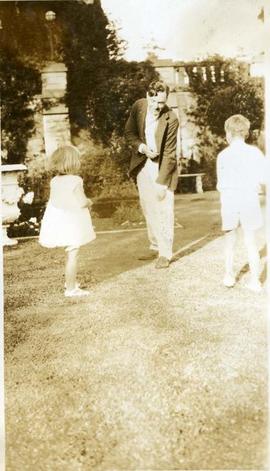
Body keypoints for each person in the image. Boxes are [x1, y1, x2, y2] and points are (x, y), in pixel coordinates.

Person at [125, 80, 179, 268]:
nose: (158, 107)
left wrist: (162, 182)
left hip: (163, 167)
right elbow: (129, 133)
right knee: (148, 207)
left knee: (164, 209)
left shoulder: (171, 119)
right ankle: (155, 246)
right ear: (148, 96)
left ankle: (165, 254)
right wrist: (142, 148)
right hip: (143, 164)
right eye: (154, 102)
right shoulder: (139, 106)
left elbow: (170, 154)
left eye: (162, 103)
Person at [216, 114, 266, 292]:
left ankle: (229, 276)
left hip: (230, 200)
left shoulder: (223, 155)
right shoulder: (255, 153)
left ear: (228, 133)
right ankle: (255, 281)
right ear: (246, 133)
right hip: (249, 200)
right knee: (250, 241)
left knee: (230, 240)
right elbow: (263, 179)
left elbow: (220, 184)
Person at [39, 145, 96, 297]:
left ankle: (70, 282)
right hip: (72, 222)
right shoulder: (76, 180)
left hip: (59, 220)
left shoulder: (55, 181)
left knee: (71, 252)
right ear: (72, 162)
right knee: (73, 254)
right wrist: (90, 201)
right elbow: (82, 202)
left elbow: (56, 201)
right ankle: (71, 289)